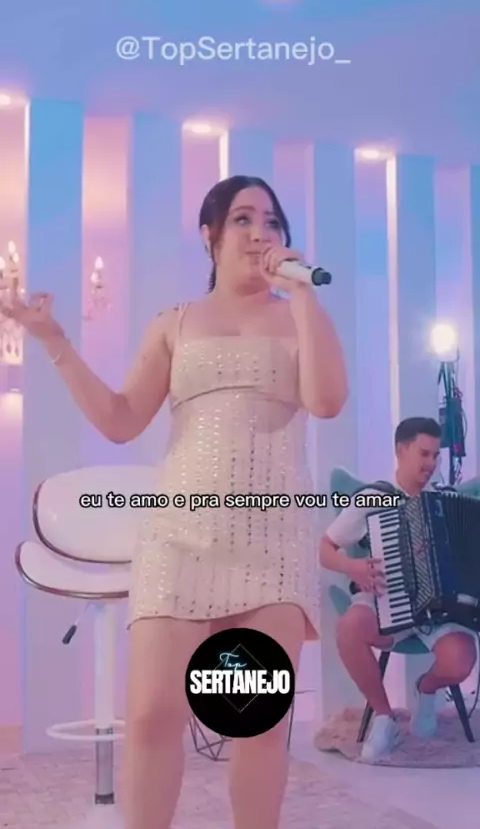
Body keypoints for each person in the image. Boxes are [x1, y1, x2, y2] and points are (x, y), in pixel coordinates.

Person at [2, 175, 348, 829]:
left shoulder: (299, 316)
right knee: (154, 714)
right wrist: (54, 341)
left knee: (256, 721)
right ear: (209, 235)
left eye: (272, 221)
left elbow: (327, 401)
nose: (260, 233)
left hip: (270, 546)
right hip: (179, 537)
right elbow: (121, 419)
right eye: (243, 218)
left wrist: (304, 295)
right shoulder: (175, 324)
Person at [319, 416, 478, 762]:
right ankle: (384, 717)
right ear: (401, 451)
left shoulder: (445, 500)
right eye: (424, 454)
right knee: (349, 628)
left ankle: (426, 688)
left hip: (439, 612)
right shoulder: (374, 498)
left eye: (436, 455)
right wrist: (353, 566)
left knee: (461, 661)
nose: (431, 463)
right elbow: (325, 549)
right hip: (385, 602)